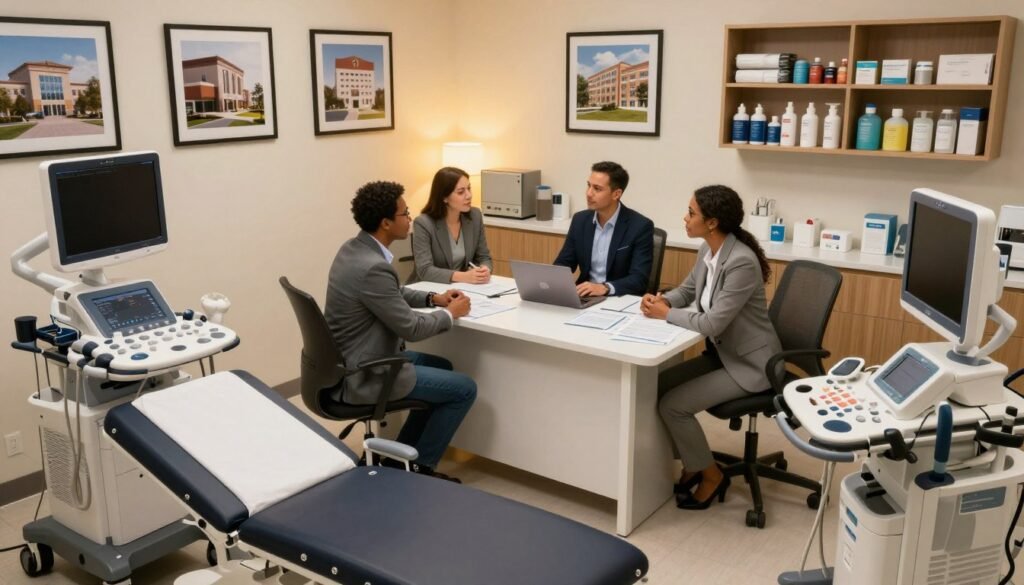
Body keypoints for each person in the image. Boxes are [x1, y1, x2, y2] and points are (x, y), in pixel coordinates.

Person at [639, 185, 782, 509]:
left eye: (691, 213)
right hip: (724, 354)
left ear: (713, 222)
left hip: (751, 365)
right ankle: (691, 460)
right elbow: (689, 290)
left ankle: (711, 474)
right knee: (654, 387)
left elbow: (713, 323)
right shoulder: (709, 250)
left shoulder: (741, 263)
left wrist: (667, 314)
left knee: (673, 405)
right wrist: (662, 301)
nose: (685, 218)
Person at [325, 180, 477, 482]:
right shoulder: (373, 267)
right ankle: (421, 469)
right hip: (367, 371)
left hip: (351, 359)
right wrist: (449, 313)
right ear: (386, 223)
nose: (410, 218)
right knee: (464, 388)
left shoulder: (354, 249)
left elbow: (390, 293)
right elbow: (412, 328)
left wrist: (432, 298)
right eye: (405, 213)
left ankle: (401, 457)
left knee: (441, 366)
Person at [553, 161, 654, 297]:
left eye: (597, 189)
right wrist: (549, 280)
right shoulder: (580, 220)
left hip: (618, 298)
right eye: (588, 186)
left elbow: (639, 279)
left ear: (616, 194)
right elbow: (564, 263)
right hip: (585, 297)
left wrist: (605, 288)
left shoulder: (640, 226)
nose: (589, 193)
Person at [411, 167, 493, 284]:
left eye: (469, 189)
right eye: (461, 192)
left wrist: (485, 269)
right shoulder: (423, 223)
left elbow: (484, 257)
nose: (469, 195)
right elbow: (425, 270)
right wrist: (463, 276)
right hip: (429, 290)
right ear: (444, 197)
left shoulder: (475, 216)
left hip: (464, 288)